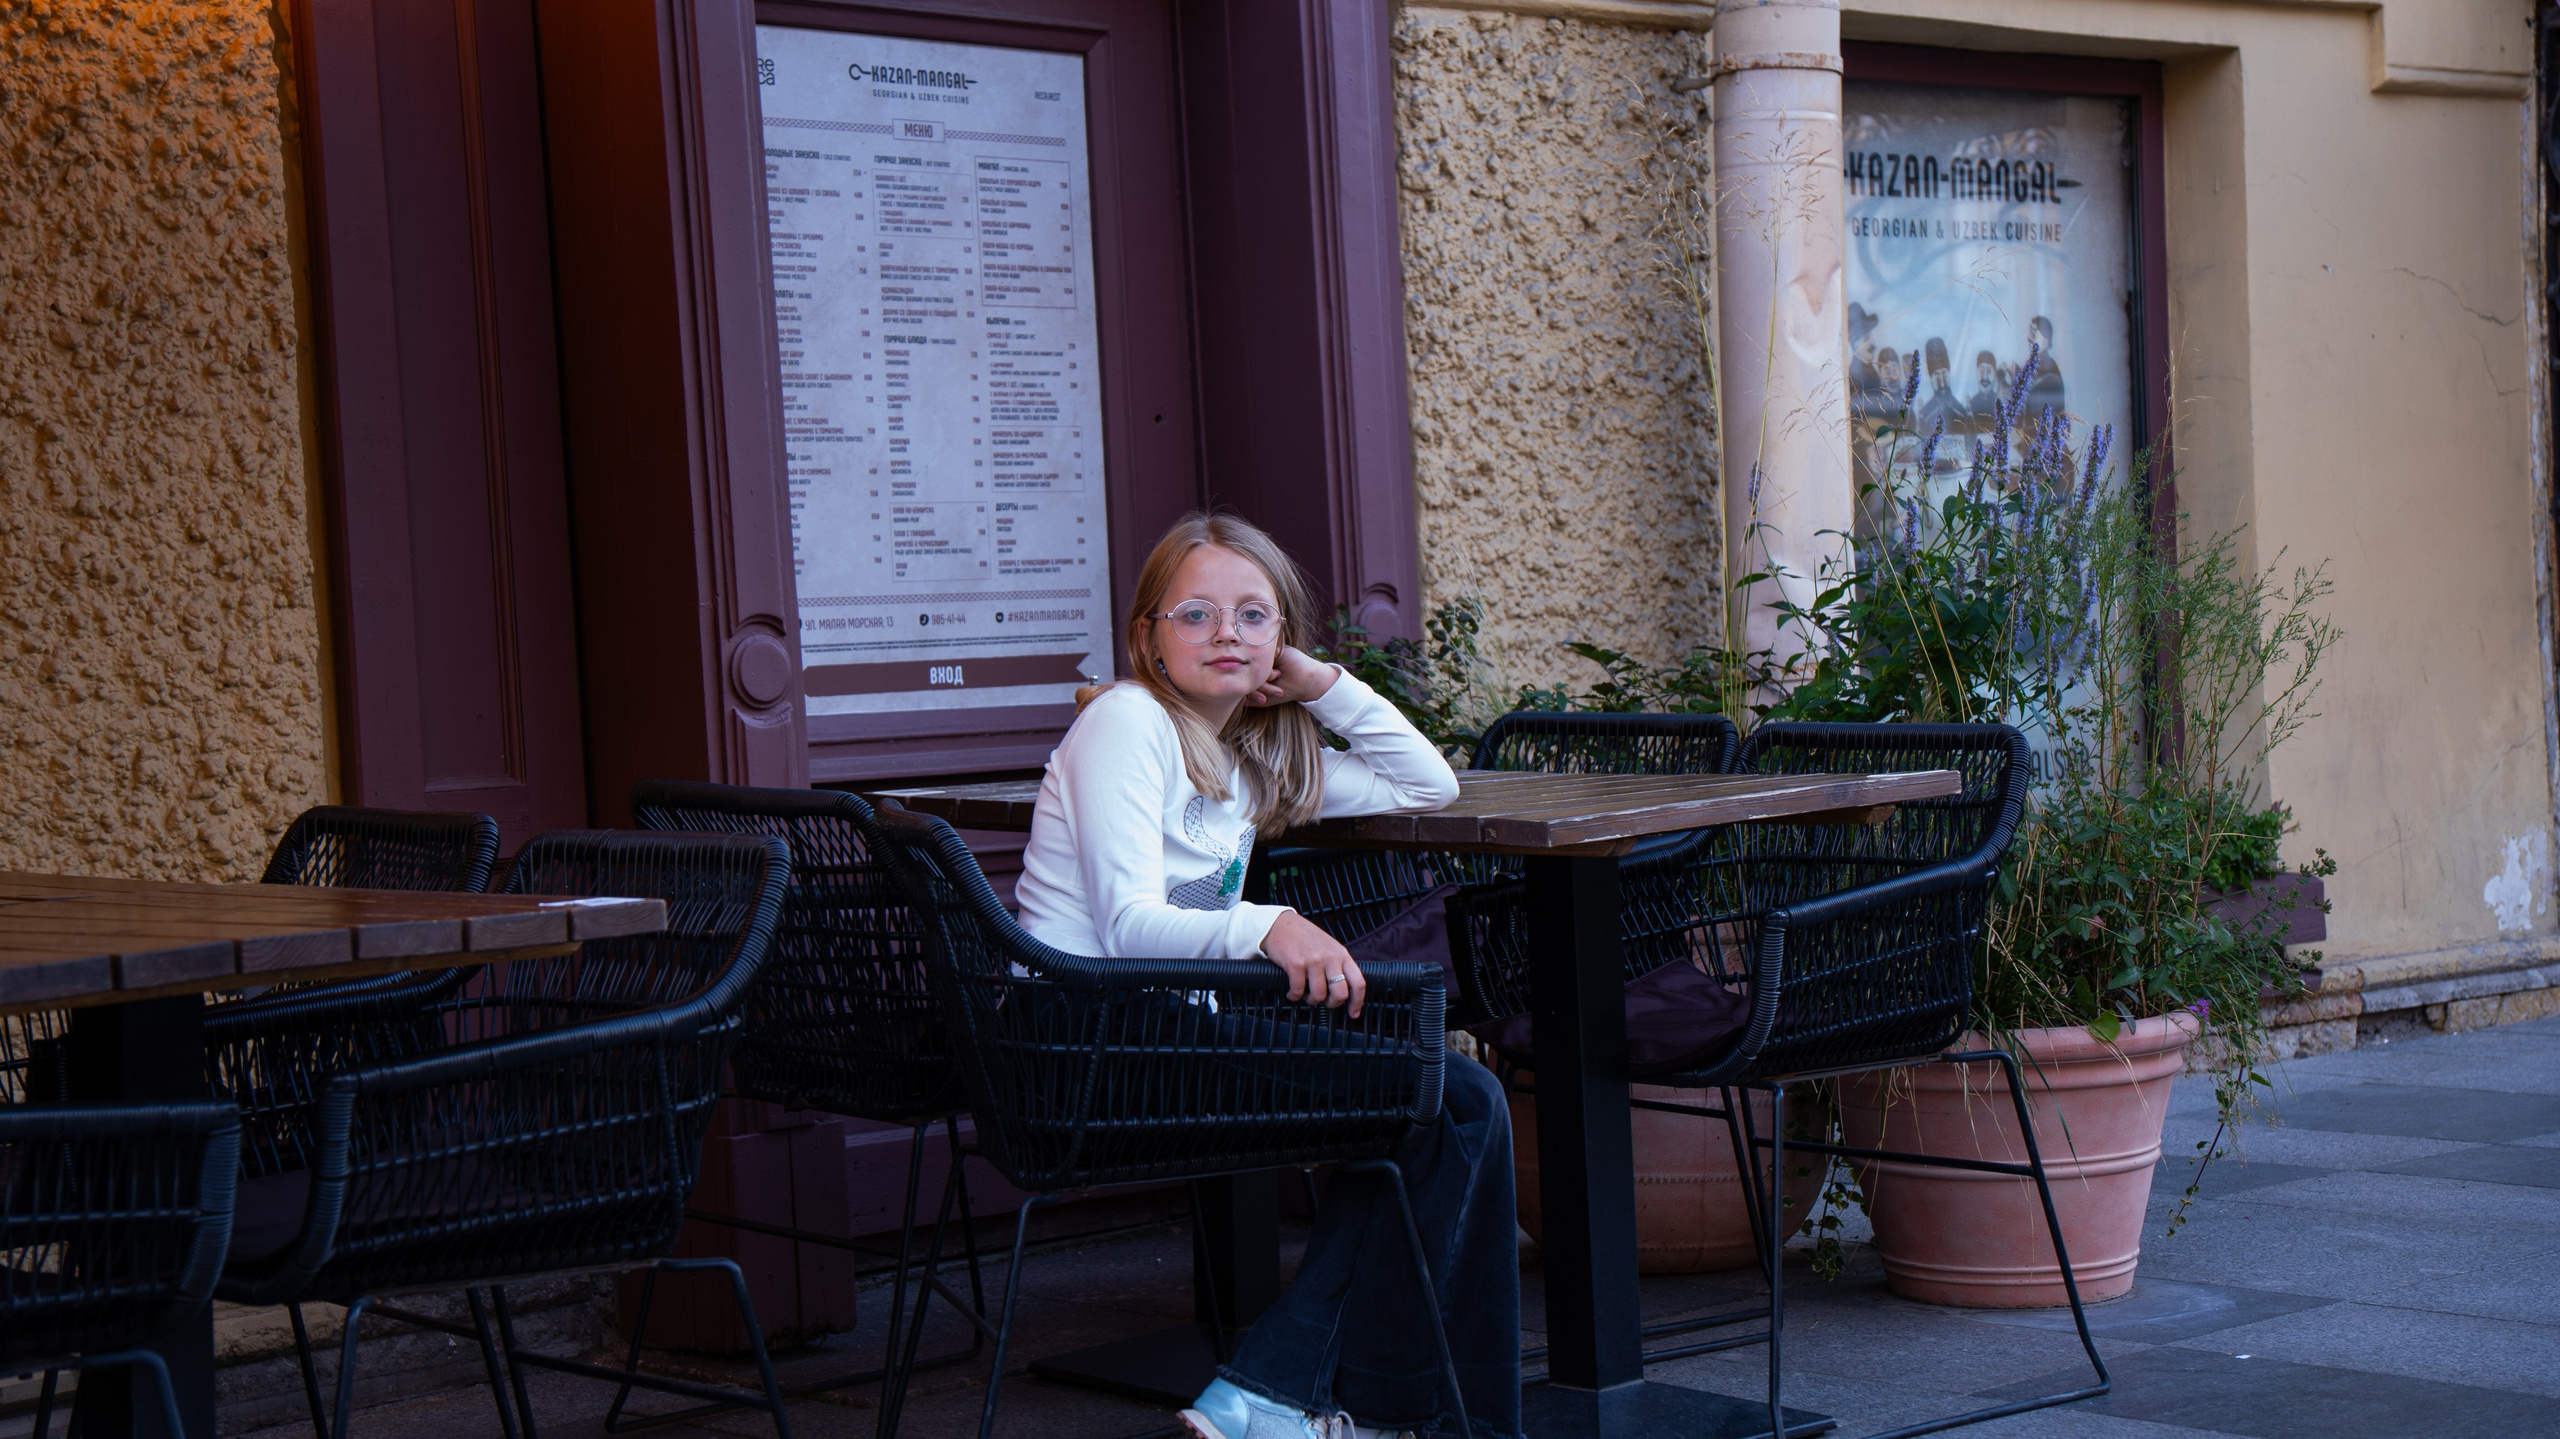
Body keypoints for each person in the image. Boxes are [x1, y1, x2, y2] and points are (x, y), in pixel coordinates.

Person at [1014, 512, 1517, 1439]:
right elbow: (1125, 926)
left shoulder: (1244, 761)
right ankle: (1325, 1402)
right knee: (1448, 1099)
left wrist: (1321, 682)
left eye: (1254, 616)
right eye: (1197, 613)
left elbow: (1428, 785)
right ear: (1149, 637)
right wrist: (1269, 922)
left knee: (1456, 1099)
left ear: (1279, 638)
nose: (1226, 635)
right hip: (1086, 1038)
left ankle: (1311, 1400)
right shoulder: (1126, 722)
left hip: (1173, 1032)